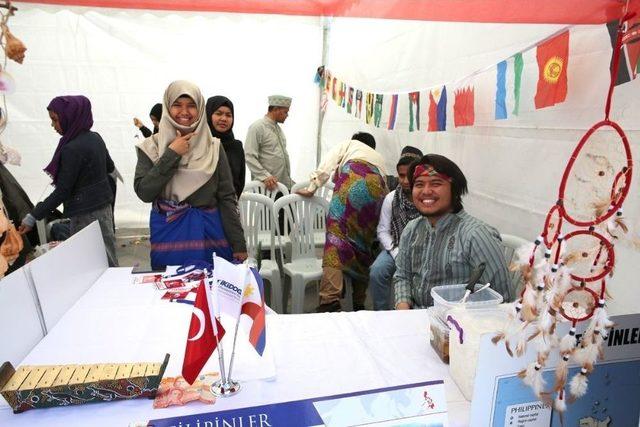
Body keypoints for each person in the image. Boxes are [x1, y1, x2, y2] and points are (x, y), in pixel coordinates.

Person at [134, 80, 246, 270]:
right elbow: (145, 193)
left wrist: (238, 244)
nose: (184, 112)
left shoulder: (214, 147)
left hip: (210, 234)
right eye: (177, 105)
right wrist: (172, 154)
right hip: (169, 234)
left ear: (200, 109)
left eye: (191, 106)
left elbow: (227, 197)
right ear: (167, 108)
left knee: (210, 293)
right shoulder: (150, 147)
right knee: (171, 293)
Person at [393, 154, 512, 309]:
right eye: (419, 184)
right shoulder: (412, 229)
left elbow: (503, 298)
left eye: (436, 183)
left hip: (461, 325)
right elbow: (402, 276)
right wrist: (404, 313)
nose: (426, 191)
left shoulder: (475, 235)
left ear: (454, 190)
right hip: (415, 319)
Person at [18, 95, 119, 267]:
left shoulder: (71, 149)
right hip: (103, 208)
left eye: (55, 120)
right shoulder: (95, 138)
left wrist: (33, 216)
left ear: (70, 117)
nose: (53, 125)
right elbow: (110, 167)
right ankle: (115, 287)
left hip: (84, 214)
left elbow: (63, 191)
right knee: (106, 254)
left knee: (89, 263)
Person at [297, 132, 388, 312]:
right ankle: (359, 302)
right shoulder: (378, 159)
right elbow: (385, 188)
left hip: (353, 180)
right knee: (363, 244)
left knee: (335, 239)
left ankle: (329, 300)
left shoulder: (349, 145)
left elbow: (328, 164)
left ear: (355, 140)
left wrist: (312, 186)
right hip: (376, 191)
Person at [369, 146, 423, 310]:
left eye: (410, 175)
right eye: (401, 175)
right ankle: (382, 313)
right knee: (377, 272)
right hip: (396, 247)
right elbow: (383, 231)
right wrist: (396, 252)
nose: (405, 180)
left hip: (424, 250)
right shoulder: (391, 198)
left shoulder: (426, 197)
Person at [245, 95, 294, 191]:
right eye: (285, 112)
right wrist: (265, 176)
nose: (287, 115)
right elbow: (249, 156)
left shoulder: (278, 130)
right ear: (275, 109)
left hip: (282, 187)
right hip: (266, 187)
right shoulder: (257, 127)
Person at [205, 96, 245, 199]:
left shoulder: (236, 146)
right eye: (218, 114)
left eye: (228, 115)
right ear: (208, 115)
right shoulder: (200, 143)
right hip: (202, 209)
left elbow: (239, 182)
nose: (224, 119)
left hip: (228, 206)